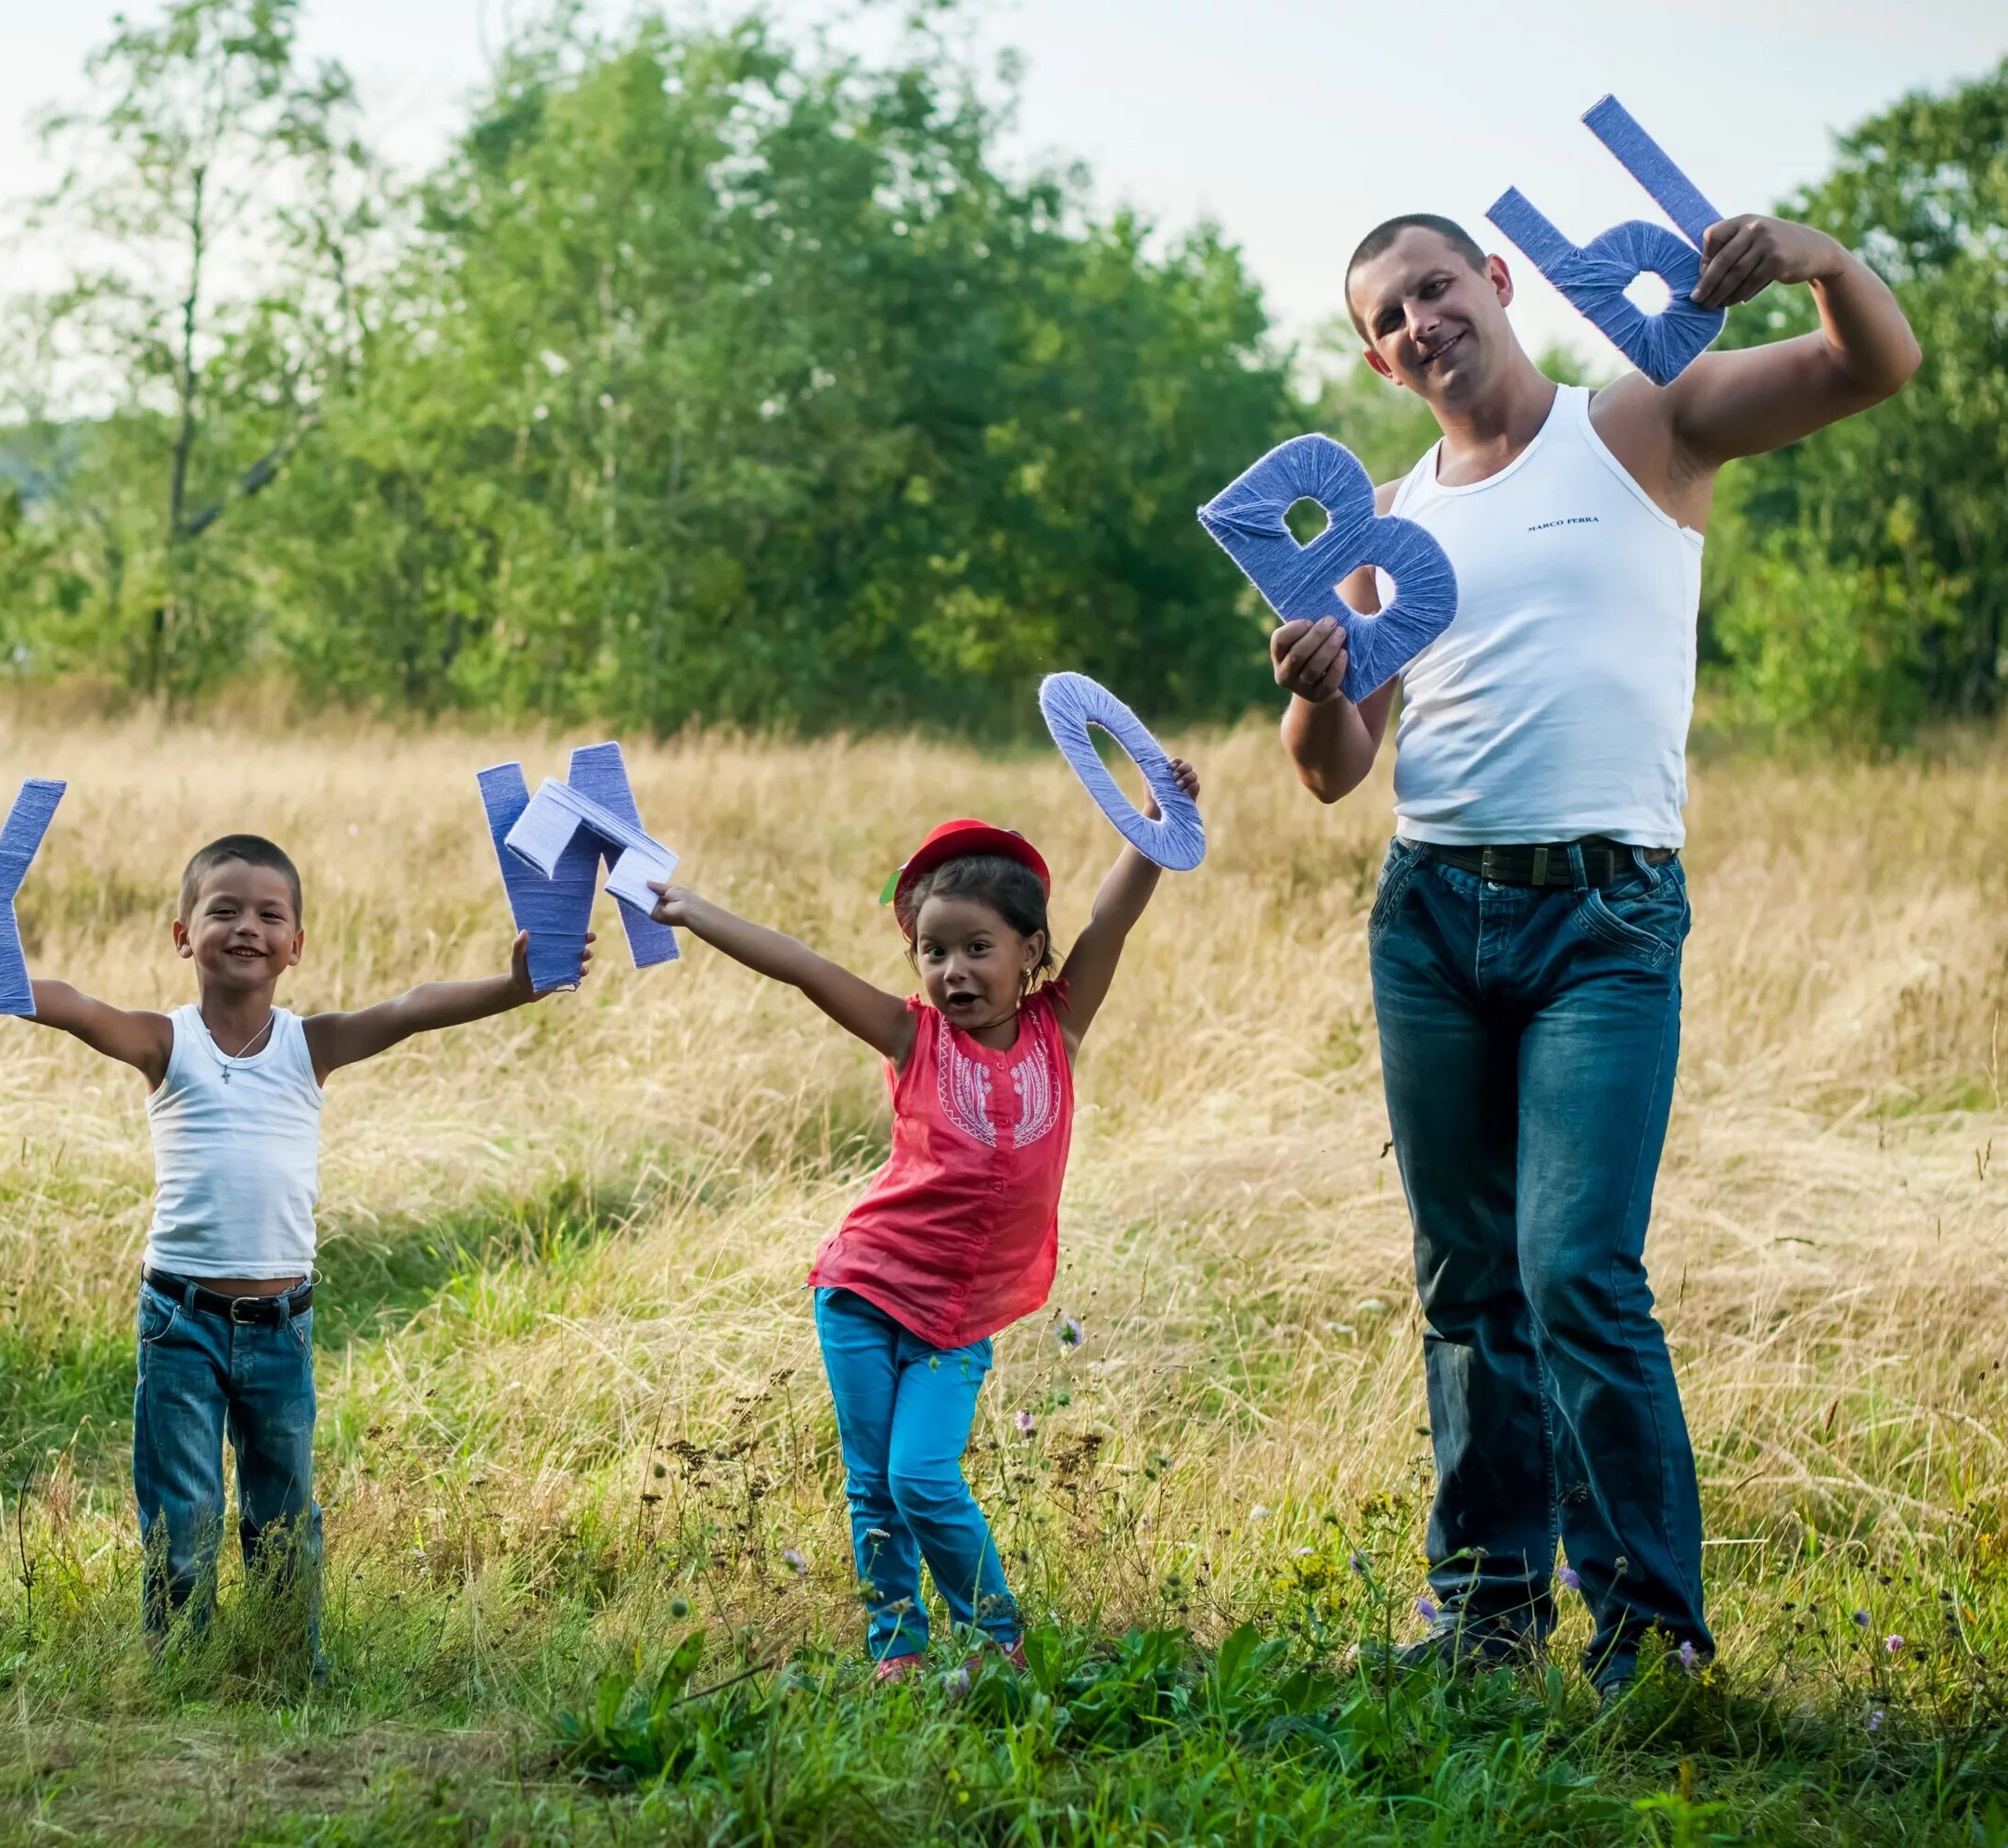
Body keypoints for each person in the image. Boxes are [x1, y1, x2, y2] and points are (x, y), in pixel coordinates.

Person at [1273, 208, 1919, 1693]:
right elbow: (1330, 769)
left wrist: (1822, 260)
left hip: (1605, 918)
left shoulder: (1640, 421)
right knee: (1464, 1279)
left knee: (1576, 1270)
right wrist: (1311, 680)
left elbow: (1871, 366)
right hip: (1432, 918)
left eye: (1436, 287)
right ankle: (1486, 1611)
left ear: (1495, 284)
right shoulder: (1380, 525)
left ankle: (1650, 1636)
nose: (1420, 322)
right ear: (1378, 361)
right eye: (1388, 318)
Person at [0, 836, 582, 1662]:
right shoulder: (165, 1041)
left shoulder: (311, 1046)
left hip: (282, 1325)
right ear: (181, 933)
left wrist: (516, 988)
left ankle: (284, 1663)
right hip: (181, 1322)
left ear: (296, 946)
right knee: (183, 1515)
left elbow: (414, 1006)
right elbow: (77, 1006)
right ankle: (182, 1666)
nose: (247, 927)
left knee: (284, 1515)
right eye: (223, 910)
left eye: (270, 914)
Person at [650, 761, 1198, 1681]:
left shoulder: (1057, 1032)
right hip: (865, 1293)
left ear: (1031, 950)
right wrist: (695, 909)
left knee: (921, 1476)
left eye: (977, 948)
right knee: (875, 1486)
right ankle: (896, 1653)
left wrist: (1154, 815)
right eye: (933, 951)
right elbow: (805, 967)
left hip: (963, 1317)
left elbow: (1112, 917)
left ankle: (1000, 1642)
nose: (953, 970)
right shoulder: (914, 1037)